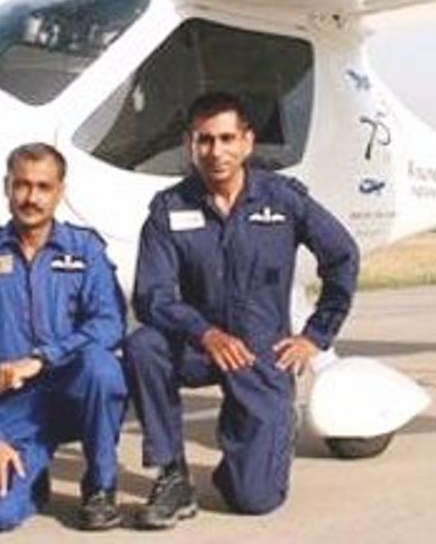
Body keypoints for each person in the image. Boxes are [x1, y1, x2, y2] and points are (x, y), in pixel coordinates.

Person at [125, 92, 359, 529]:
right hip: (200, 346)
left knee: (254, 499)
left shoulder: (283, 199)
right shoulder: (169, 208)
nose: (217, 151)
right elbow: (152, 296)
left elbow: (342, 256)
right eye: (205, 140)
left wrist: (315, 336)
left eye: (227, 138)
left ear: (247, 142)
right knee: (143, 344)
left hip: (261, 350)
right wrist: (205, 333)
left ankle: (251, 442)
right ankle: (172, 473)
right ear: (190, 144)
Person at [0, 142, 127, 531]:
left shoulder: (85, 249)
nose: (31, 197)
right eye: (22, 185)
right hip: (15, 407)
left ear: (60, 191)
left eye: (43, 187)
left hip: (76, 393)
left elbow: (111, 322)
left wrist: (44, 358)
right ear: (6, 187)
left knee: (102, 368)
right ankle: (32, 476)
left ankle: (100, 486)